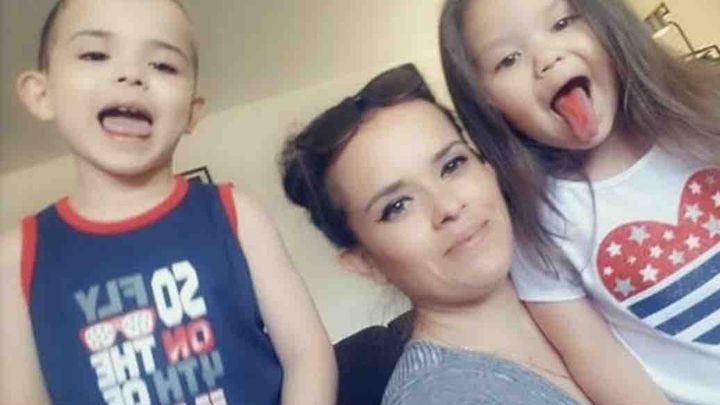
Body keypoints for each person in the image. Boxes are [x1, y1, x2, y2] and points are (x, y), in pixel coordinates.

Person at [0, 0, 336, 403]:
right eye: (95, 55)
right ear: (41, 94)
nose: (131, 74)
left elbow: (307, 356)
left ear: (192, 112)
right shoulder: (16, 255)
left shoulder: (234, 212)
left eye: (163, 65)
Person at [439, 0, 720, 403]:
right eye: (508, 59)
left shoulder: (707, 112)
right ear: (487, 102)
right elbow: (600, 361)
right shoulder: (537, 225)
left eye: (562, 22)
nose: (547, 58)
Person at [280, 63, 591, 404]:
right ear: (366, 262)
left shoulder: (587, 269)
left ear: (487, 167)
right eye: (397, 206)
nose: (448, 206)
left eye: (452, 165)